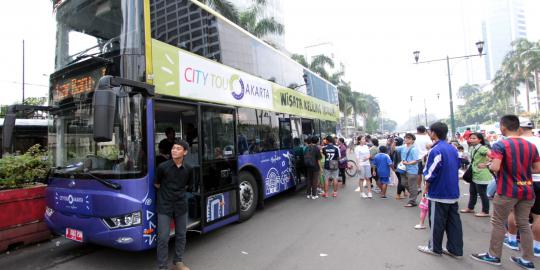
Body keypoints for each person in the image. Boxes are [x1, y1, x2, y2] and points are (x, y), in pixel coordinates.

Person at [471, 115, 540, 269]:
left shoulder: (500, 145)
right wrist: (522, 170)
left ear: (503, 127)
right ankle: (527, 259)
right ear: (519, 128)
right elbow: (537, 168)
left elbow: (495, 167)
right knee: (523, 223)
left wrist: (490, 166)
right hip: (527, 189)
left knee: (498, 222)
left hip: (507, 190)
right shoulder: (531, 146)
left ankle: (494, 255)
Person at [417, 122, 463, 258]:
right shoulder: (452, 148)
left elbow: (430, 173)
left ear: (433, 133)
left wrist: (426, 187)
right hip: (452, 191)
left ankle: (434, 247)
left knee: (437, 221)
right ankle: (455, 249)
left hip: (439, 192)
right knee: (453, 222)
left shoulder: (435, 150)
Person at [503, 118, 540, 255]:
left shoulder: (517, 143)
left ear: (519, 128)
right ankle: (537, 247)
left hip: (521, 182)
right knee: (538, 216)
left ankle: (512, 240)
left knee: (514, 213)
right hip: (539, 181)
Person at [155, 139, 193, 270]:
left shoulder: (188, 169)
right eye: (173, 148)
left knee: (182, 234)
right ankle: (162, 266)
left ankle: (178, 262)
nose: (174, 150)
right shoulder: (162, 167)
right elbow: (157, 184)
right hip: (165, 206)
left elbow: (188, 185)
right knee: (163, 238)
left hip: (181, 205)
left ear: (185, 152)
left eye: (178, 148)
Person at [460, 133, 491, 217]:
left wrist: (486, 164)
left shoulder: (482, 148)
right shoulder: (473, 148)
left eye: (474, 138)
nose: (471, 140)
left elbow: (493, 156)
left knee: (482, 193)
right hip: (474, 173)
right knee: (472, 191)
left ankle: (485, 211)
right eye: (471, 138)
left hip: (481, 174)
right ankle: (470, 208)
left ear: (480, 140)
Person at [397, 133, 420, 207]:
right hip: (403, 169)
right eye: (405, 138)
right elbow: (394, 149)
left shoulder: (414, 149)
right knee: (403, 183)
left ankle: (412, 201)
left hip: (412, 170)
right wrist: (393, 142)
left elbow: (417, 160)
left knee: (412, 185)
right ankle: (415, 193)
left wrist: (408, 163)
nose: (406, 139)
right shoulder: (403, 147)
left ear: (413, 140)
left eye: (408, 138)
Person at [415, 126, 432, 194]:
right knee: (426, 173)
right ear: (424, 130)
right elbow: (430, 146)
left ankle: (418, 187)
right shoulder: (427, 137)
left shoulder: (414, 137)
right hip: (426, 157)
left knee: (419, 173)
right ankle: (426, 187)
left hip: (417, 158)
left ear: (417, 130)